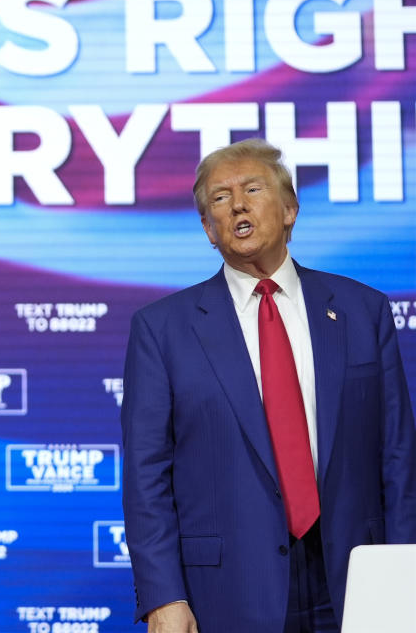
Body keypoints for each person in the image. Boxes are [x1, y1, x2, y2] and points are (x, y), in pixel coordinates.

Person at [120, 138, 416, 633]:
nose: (236, 204)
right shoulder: (162, 329)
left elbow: (399, 460)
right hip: (226, 592)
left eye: (252, 188)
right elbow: (146, 477)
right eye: (219, 198)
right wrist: (162, 596)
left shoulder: (365, 311)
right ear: (208, 231)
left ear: (290, 210)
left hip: (355, 583)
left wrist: (405, 578)